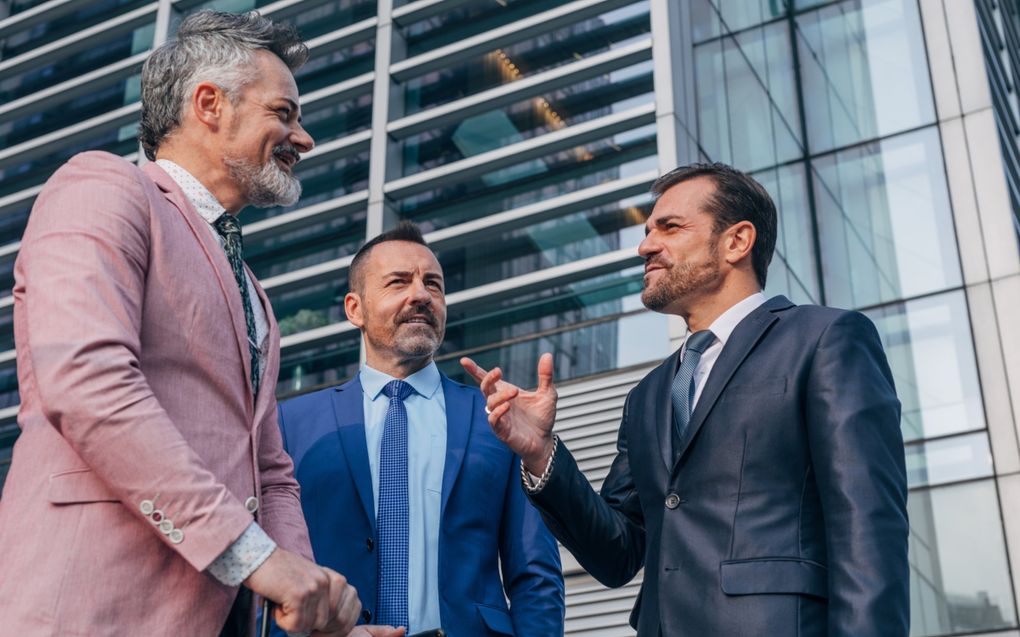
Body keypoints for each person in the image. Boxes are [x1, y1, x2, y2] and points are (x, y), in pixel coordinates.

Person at [0, 11, 400, 637]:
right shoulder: (102, 186)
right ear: (209, 104)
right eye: (284, 113)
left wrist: (317, 612)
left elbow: (269, 470)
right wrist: (257, 558)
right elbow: (88, 380)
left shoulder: (256, 296)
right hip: (88, 610)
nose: (304, 137)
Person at [462, 163, 910, 636]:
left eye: (669, 227)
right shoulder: (649, 395)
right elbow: (618, 553)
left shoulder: (824, 339)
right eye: (648, 230)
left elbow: (868, 529)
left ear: (737, 241)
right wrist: (540, 454)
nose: (646, 246)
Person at [276, 221, 565, 636]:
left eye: (434, 284)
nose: (421, 295)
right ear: (354, 308)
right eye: (398, 283)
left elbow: (535, 573)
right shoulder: (292, 423)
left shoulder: (496, 418)